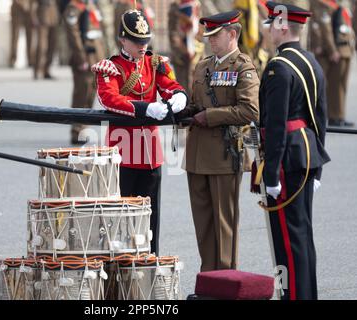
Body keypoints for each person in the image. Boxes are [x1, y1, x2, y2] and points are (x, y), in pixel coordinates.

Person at [91, 9, 188, 255]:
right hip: (123, 154)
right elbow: (109, 99)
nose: (142, 46)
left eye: (145, 41)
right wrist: (146, 108)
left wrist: (179, 95)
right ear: (123, 39)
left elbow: (170, 86)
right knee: (120, 217)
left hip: (150, 154)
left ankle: (149, 262)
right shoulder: (111, 67)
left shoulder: (155, 63)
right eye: (136, 41)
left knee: (150, 217)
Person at [258, 1, 331, 299]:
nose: (269, 30)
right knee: (302, 236)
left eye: (272, 24)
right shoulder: (311, 61)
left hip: (287, 159)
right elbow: (321, 117)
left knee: (287, 239)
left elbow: (275, 125)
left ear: (283, 26)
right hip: (308, 154)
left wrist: (271, 175)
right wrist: (319, 167)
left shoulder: (279, 67)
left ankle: (293, 296)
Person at [180, 10, 259, 272]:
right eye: (208, 35)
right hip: (197, 155)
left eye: (216, 35)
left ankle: (225, 279)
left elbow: (250, 111)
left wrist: (210, 116)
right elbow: (195, 104)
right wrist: (183, 111)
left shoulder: (243, 67)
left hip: (225, 155)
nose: (210, 40)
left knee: (225, 224)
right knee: (203, 223)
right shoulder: (203, 66)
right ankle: (209, 277)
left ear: (232, 34)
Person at [64, 0, 105, 144]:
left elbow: (99, 33)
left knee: (91, 92)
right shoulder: (73, 7)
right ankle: (76, 130)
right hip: (84, 57)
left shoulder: (91, 5)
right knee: (81, 93)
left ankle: (84, 126)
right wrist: (81, 58)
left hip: (95, 57)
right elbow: (73, 35)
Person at [310, 0, 355, 127]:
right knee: (335, 87)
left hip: (346, 49)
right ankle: (334, 116)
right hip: (337, 50)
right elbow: (326, 29)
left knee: (341, 86)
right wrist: (332, 50)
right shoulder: (324, 5)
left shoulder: (340, 6)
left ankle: (339, 115)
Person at [168, 0, 204, 95]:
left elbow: (201, 28)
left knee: (197, 84)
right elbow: (172, 31)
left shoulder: (197, 5)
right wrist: (181, 47)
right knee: (182, 85)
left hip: (196, 51)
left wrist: (196, 43)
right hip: (180, 53)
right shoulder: (175, 7)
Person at [31, 0, 58, 79]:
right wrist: (33, 17)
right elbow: (33, 4)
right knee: (41, 46)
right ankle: (37, 70)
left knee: (52, 46)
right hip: (42, 17)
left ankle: (47, 70)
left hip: (54, 17)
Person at [10, 0, 35, 68]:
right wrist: (22, 3)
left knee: (30, 36)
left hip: (29, 10)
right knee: (15, 36)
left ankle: (30, 60)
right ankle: (12, 59)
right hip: (17, 9)